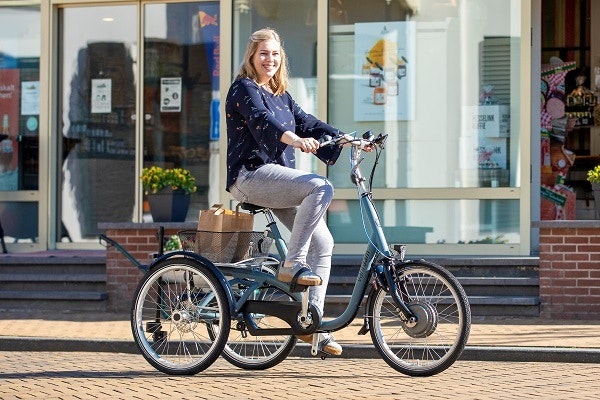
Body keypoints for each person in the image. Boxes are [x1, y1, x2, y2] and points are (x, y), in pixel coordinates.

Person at [225, 28, 372, 355]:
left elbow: (307, 122)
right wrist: (295, 140)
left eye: (275, 54)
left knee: (325, 242)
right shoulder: (243, 89)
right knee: (320, 186)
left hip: (276, 179)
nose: (270, 60)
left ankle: (311, 326)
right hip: (250, 175)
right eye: (263, 53)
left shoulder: (281, 95)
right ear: (251, 56)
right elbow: (263, 122)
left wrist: (349, 139)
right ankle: (292, 263)